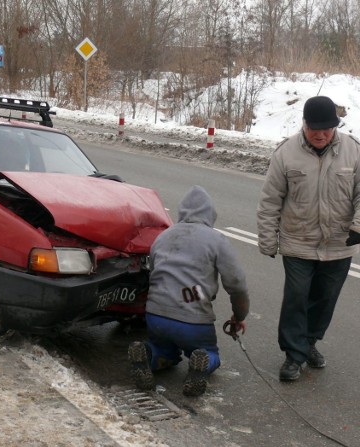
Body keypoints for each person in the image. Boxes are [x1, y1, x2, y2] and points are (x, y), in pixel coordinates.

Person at [257, 95, 360, 381]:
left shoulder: (353, 150)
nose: (321, 134)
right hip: (298, 242)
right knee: (296, 298)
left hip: (340, 243)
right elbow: (269, 201)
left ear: (335, 127)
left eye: (327, 128)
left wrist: (358, 225)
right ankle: (293, 355)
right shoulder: (285, 154)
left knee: (325, 299)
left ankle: (309, 343)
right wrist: (268, 239)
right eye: (315, 128)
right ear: (304, 124)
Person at [129, 185, 249, 397]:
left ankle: (149, 355)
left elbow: (154, 274)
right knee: (210, 353)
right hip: (193, 321)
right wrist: (238, 316)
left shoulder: (163, 237)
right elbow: (236, 284)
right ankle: (200, 362)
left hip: (156, 316)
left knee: (166, 351)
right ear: (211, 214)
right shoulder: (216, 240)